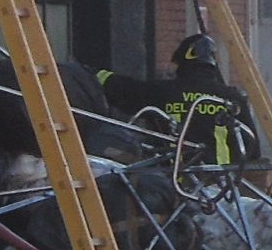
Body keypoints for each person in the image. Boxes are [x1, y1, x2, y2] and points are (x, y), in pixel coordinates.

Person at [100, 33, 256, 180]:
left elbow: (124, 90)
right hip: (223, 189)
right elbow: (252, 149)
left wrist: (94, 76)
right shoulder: (232, 98)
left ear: (182, 61)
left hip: (172, 184)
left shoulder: (163, 92)